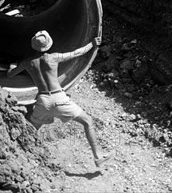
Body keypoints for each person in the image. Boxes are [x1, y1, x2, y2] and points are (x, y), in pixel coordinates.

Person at [7, 31, 114, 169]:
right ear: (48, 44)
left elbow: (10, 74)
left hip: (43, 101)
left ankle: (16, 159)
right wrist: (92, 44)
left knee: (30, 131)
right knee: (88, 121)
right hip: (59, 98)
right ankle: (98, 157)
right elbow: (76, 53)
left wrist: (12, 65)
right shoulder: (54, 57)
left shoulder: (28, 62)